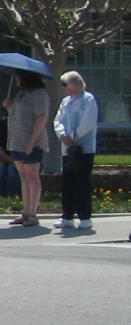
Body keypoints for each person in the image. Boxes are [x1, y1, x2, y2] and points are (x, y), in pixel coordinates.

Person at [4, 70, 53, 228]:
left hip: (32, 141)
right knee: (23, 176)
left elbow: (41, 117)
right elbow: (17, 114)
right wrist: (9, 106)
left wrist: (31, 142)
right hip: (17, 141)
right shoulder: (21, 94)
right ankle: (25, 212)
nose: (17, 79)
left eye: (19, 77)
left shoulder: (39, 94)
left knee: (32, 176)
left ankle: (33, 213)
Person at [56, 70, 98, 232]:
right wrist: (62, 134)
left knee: (82, 182)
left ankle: (85, 217)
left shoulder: (88, 100)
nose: (63, 88)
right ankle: (67, 216)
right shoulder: (65, 101)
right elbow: (58, 120)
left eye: (65, 84)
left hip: (84, 149)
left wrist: (73, 136)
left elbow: (88, 121)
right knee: (68, 182)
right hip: (67, 149)